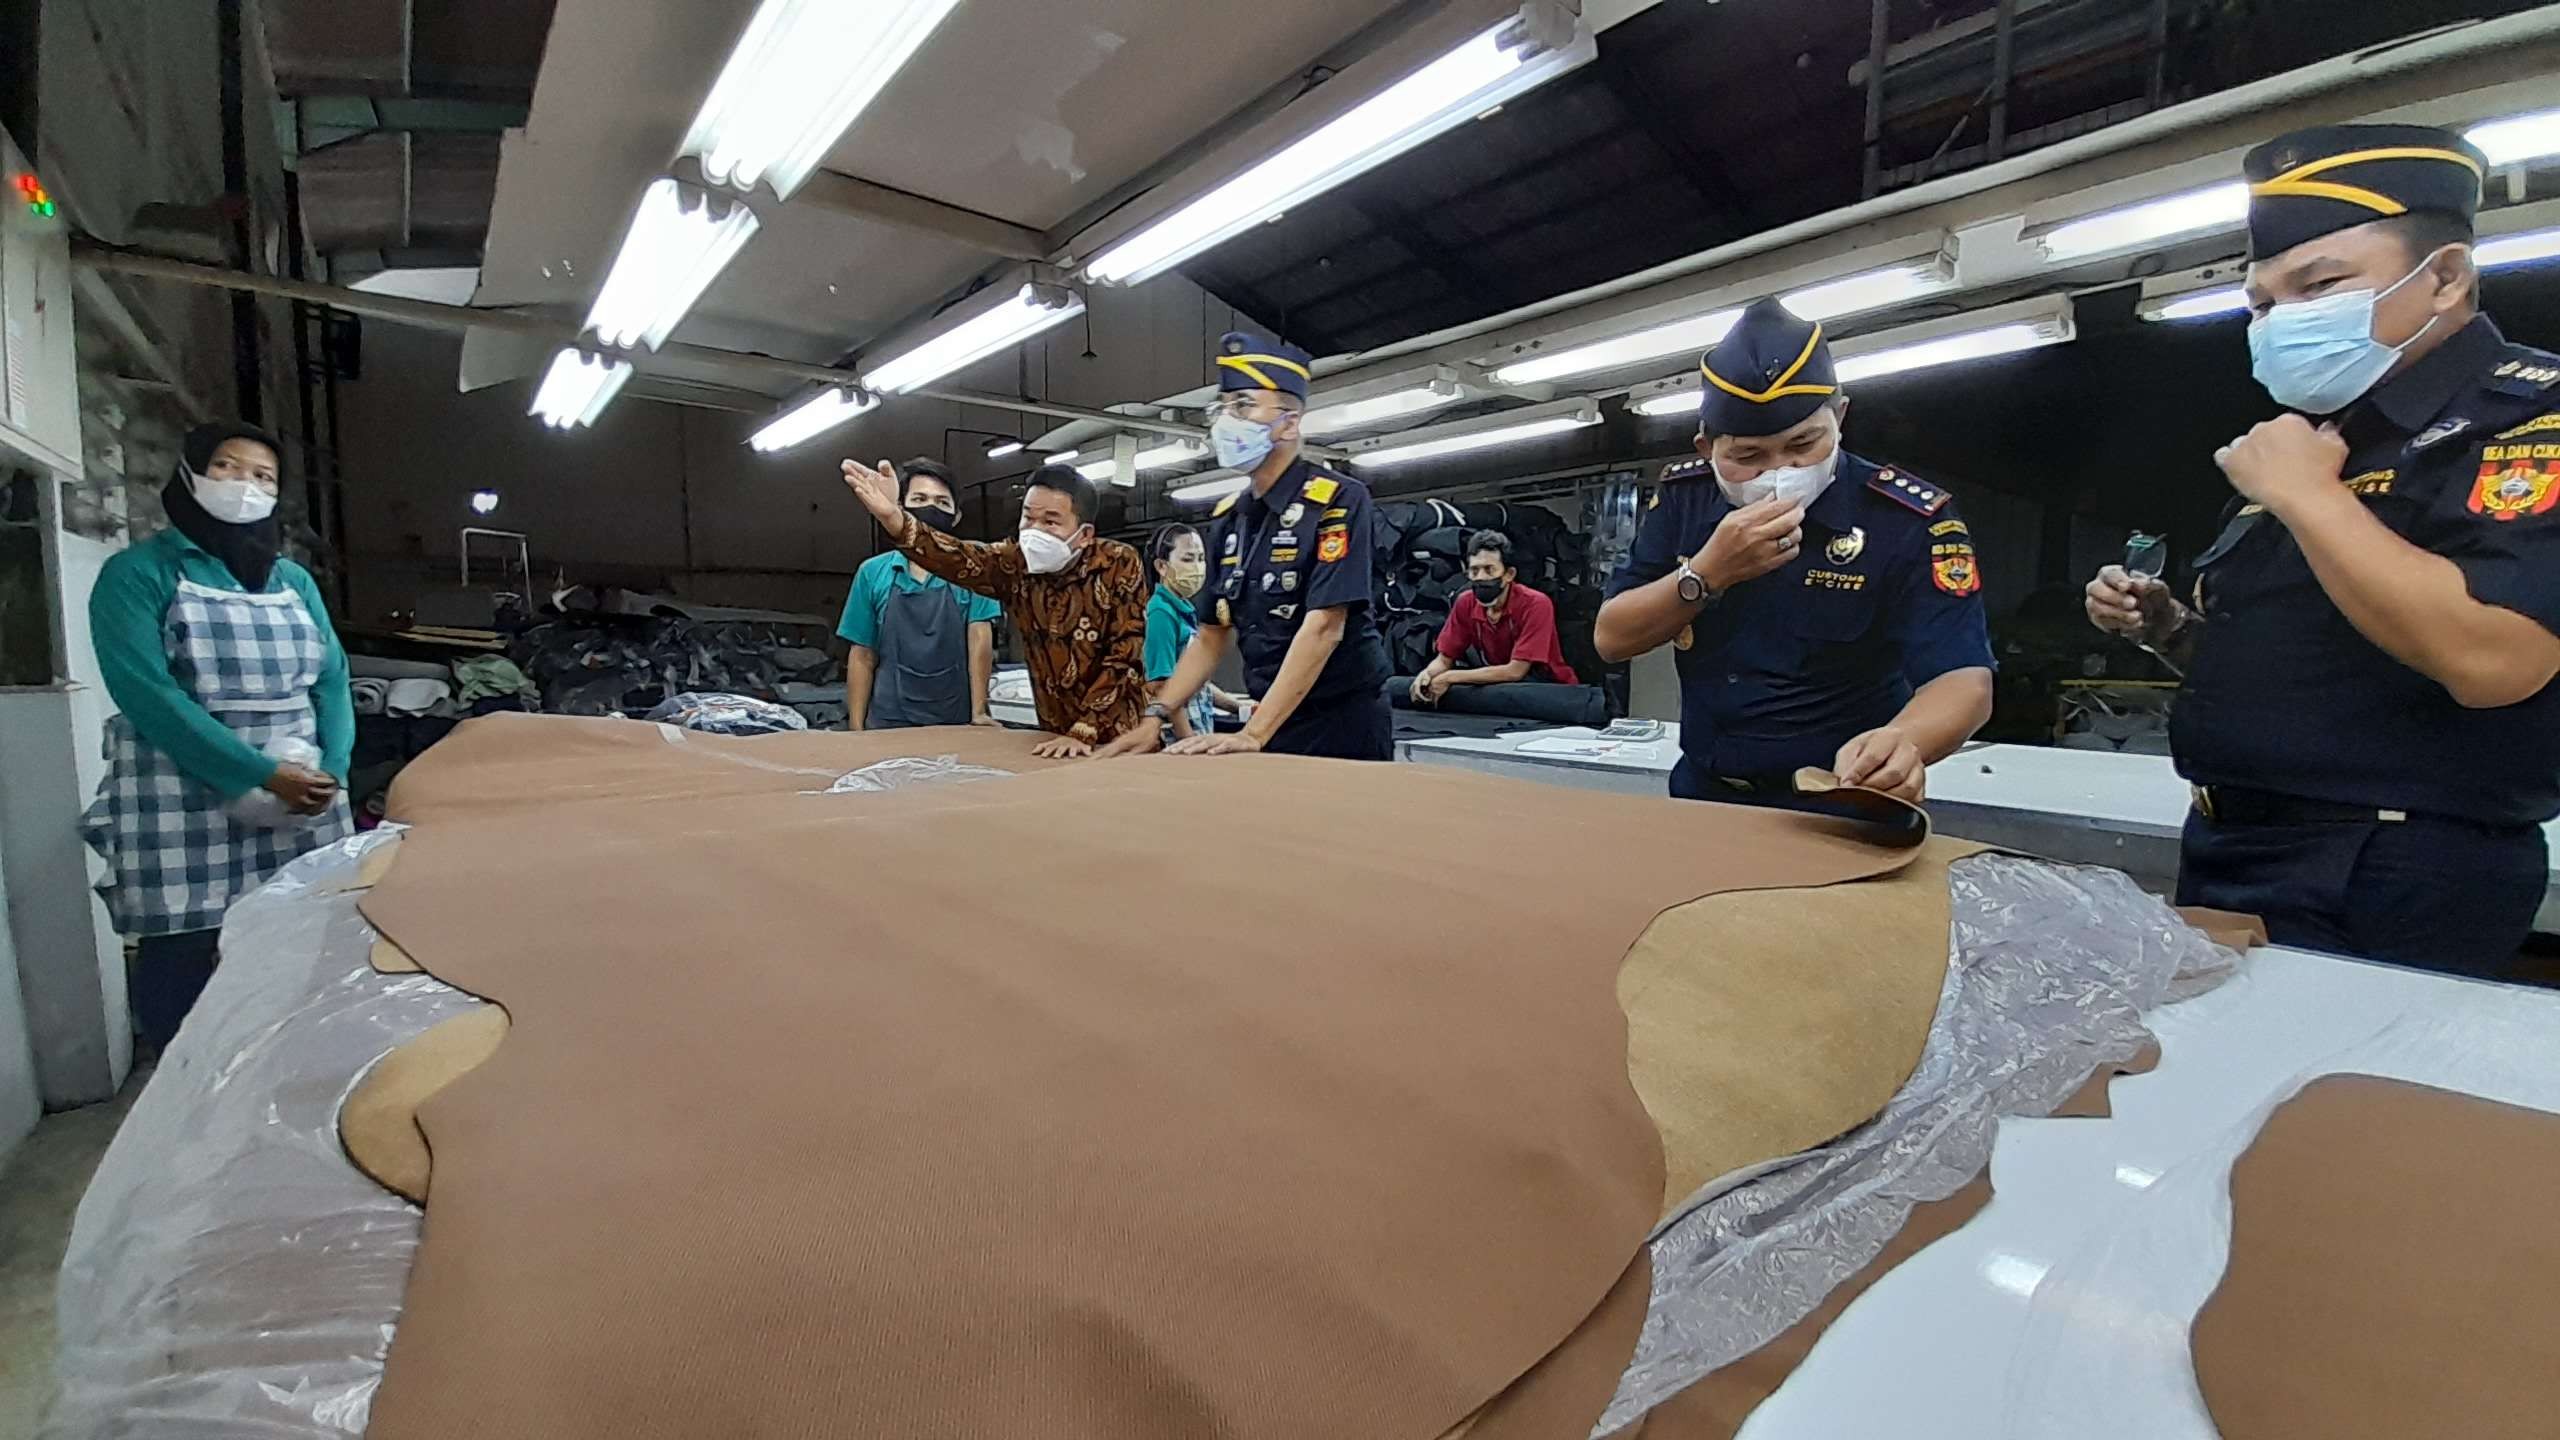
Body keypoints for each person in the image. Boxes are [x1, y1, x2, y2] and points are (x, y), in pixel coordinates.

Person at [2084, 123, 2560, 974]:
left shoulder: (2525, 422)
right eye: (2261, 303)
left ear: (2445, 276)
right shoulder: (2326, 438)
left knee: (2335, 1106)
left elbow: (2496, 658)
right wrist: (2171, 631)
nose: (2280, 321)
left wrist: (2308, 497)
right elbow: (2308, 653)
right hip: (2233, 843)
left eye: (2321, 284)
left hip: (2389, 866)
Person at [1594, 298, 1994, 805]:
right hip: (1704, 793)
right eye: (1748, 457)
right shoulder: (1685, 498)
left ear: (1841, 417)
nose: (1781, 471)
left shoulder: (1908, 518)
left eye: (1805, 444)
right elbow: (1612, 638)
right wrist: (1705, 575)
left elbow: (1964, 678)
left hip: (1840, 797)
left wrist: (1906, 741)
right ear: (1706, 448)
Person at [81, 422, 354, 1054]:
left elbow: (333, 680)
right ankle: (186, 1086)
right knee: (184, 950)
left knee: (294, 941)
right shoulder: (140, 572)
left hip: (301, 786)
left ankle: (278, 1070)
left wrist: (334, 768)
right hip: (182, 786)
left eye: (263, 477)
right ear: (190, 476)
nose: (245, 486)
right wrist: (254, 772)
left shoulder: (293, 581)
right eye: (228, 468)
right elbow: (147, 694)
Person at [1099, 332, 1394, 761]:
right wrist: (1156, 716)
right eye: (1223, 408)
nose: (1226, 420)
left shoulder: (1337, 499)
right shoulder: (1229, 519)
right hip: (1270, 717)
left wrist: (1253, 734)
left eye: (1242, 406)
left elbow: (1324, 627)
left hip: (1341, 722)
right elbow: (1210, 636)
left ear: (1289, 422)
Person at [840, 458, 1151, 758]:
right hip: (1052, 736)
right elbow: (958, 557)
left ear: (1084, 535)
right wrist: (893, 518)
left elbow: (1126, 653)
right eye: (1028, 517)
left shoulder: (1118, 563)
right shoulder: (1016, 564)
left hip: (1120, 735)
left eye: (1051, 521)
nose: (1035, 530)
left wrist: (1085, 729)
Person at [835, 458, 1002, 730]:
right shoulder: (872, 572)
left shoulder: (974, 566)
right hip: (887, 719)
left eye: (942, 502)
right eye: (920, 498)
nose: (931, 508)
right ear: (901, 507)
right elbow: (862, 654)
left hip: (955, 720)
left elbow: (980, 638)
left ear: (956, 516)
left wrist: (979, 712)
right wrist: (856, 728)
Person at [1410, 529, 1579, 703]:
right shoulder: (1465, 602)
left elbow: (1515, 671)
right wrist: (1428, 674)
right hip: (1502, 690)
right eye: (1474, 571)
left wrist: (1450, 677)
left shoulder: (1536, 604)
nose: (1481, 577)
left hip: (1551, 690)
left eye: (1489, 570)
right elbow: (1444, 659)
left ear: (1509, 574)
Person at [1144, 523, 1249, 741]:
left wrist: (1238, 708)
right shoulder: (1160, 612)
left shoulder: (1186, 610)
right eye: (1188, 559)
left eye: (1201, 559)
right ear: (1162, 566)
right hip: (1177, 737)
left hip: (1198, 727)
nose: (1197, 567)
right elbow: (1162, 686)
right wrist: (1187, 738)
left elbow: (1194, 682)